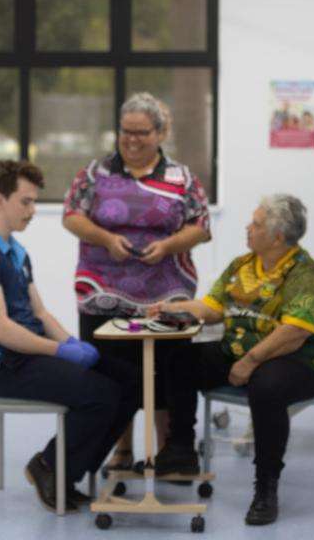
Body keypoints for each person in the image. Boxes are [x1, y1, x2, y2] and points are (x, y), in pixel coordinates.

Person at [0, 160, 139, 513]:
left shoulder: (16, 252)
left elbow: (40, 313)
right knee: (100, 394)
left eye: (33, 202)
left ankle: (66, 473)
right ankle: (50, 467)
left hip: (32, 355)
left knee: (129, 381)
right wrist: (58, 350)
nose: (33, 211)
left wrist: (73, 344)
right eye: (26, 202)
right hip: (7, 367)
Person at [148, 194, 314, 526]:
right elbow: (212, 309)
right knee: (177, 358)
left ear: (277, 236)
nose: (248, 228)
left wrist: (249, 362)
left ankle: (266, 487)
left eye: (256, 223)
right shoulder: (241, 266)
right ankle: (180, 448)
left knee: (266, 387)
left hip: (300, 360)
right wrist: (172, 307)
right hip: (239, 351)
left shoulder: (307, 275)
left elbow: (293, 333)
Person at [62, 92, 210, 473]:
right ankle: (122, 450)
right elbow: (71, 217)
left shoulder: (182, 178)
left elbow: (201, 227)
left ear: (161, 133)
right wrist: (107, 239)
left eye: (141, 132)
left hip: (167, 294)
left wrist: (168, 245)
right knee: (112, 378)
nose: (131, 139)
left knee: (167, 376)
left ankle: (170, 454)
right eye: (125, 132)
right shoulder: (95, 173)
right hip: (103, 293)